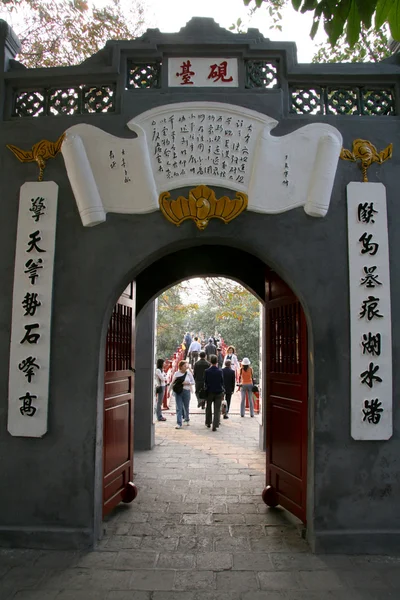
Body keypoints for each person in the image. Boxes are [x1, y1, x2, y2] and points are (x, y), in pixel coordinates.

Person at [170, 360, 194, 429]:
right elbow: (172, 382)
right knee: (179, 407)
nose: (186, 367)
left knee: (186, 406)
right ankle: (179, 423)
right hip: (178, 391)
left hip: (186, 391)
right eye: (184, 366)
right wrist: (169, 390)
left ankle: (187, 419)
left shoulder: (188, 373)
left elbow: (193, 382)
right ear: (180, 367)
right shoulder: (176, 373)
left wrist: (187, 383)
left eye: (186, 366)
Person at [204, 354, 224, 432]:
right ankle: (215, 425)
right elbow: (222, 382)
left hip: (209, 391)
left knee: (208, 407)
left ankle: (208, 422)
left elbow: (205, 381)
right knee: (217, 409)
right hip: (218, 391)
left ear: (210, 361)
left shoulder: (207, 371)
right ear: (217, 361)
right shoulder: (220, 371)